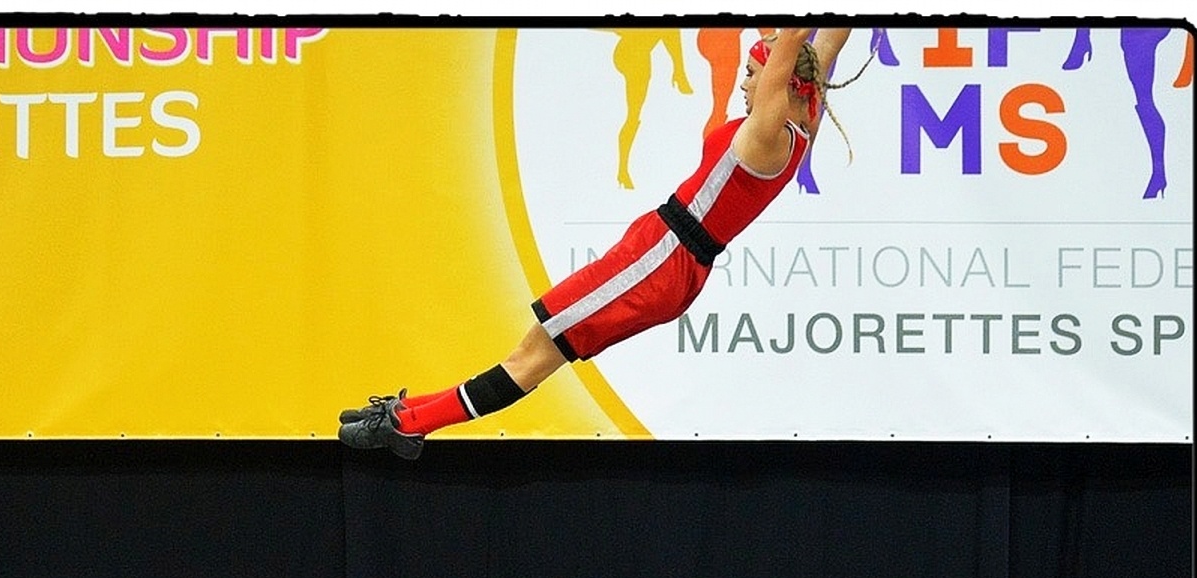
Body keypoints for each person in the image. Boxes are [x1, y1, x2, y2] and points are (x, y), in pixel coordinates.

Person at [339, 27, 854, 458]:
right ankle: (411, 418)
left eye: (751, 70)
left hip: (661, 257)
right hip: (669, 257)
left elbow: (791, 35)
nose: (743, 82)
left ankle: (412, 424)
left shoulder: (766, 132)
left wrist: (785, 41)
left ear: (780, 80)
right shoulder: (800, 128)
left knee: (534, 351)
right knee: (541, 351)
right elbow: (826, 41)